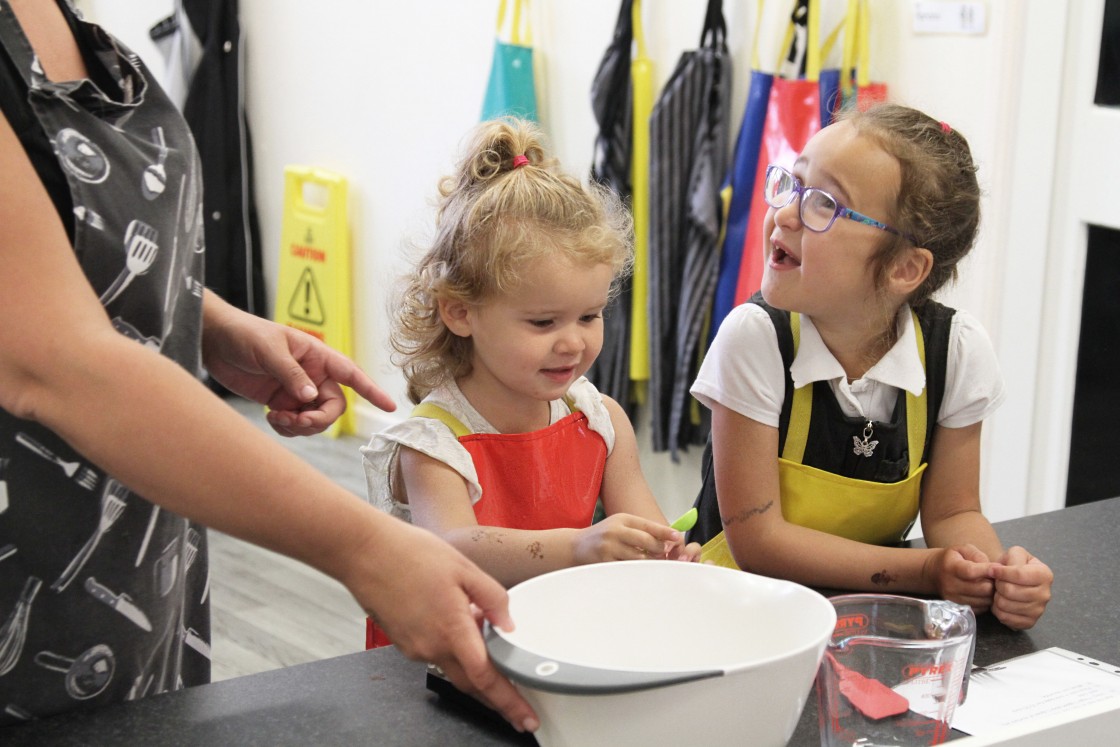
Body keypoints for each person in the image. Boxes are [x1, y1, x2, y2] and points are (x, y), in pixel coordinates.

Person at [0, 0, 537, 732]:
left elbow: (55, 262)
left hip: (130, 577)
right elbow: (58, 364)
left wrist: (204, 319)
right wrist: (366, 548)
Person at [688, 103, 1052, 630]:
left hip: (864, 626)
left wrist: (995, 576)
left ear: (905, 267)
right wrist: (925, 570)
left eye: (824, 204)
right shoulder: (757, 338)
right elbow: (758, 541)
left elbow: (954, 513)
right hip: (733, 617)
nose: (785, 214)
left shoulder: (954, 352)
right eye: (793, 184)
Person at [363, 118, 700, 596]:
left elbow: (645, 530)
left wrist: (663, 555)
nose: (573, 343)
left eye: (589, 316)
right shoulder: (434, 446)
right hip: (453, 638)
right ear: (459, 312)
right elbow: (453, 547)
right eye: (544, 322)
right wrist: (577, 547)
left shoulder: (600, 421)